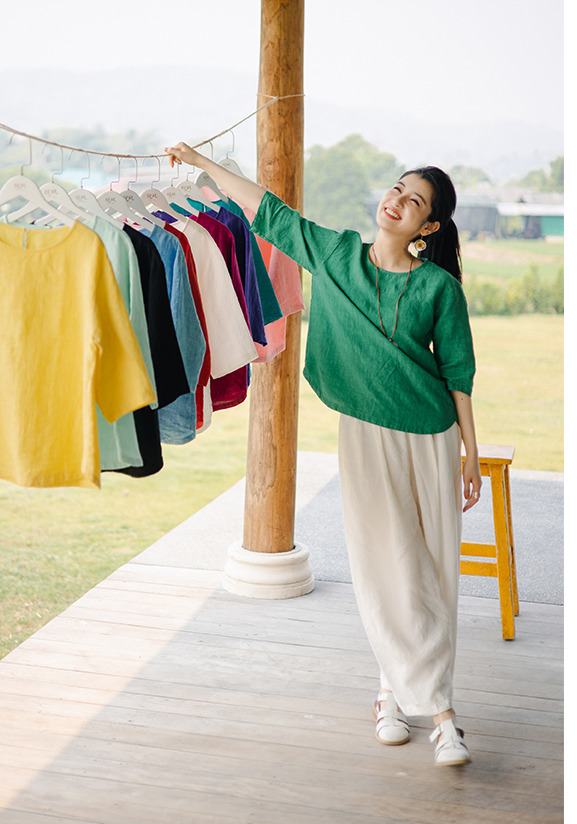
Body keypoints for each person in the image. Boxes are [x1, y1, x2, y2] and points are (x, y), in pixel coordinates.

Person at [166, 140, 480, 767]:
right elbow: (269, 212)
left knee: (433, 571)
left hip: (432, 436)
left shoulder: (440, 288)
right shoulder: (336, 254)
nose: (397, 201)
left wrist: (470, 454)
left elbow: (459, 373)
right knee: (387, 564)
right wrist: (203, 165)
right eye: (397, 189)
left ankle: (392, 695)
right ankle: (443, 718)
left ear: (429, 227)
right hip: (366, 435)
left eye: (415, 202)